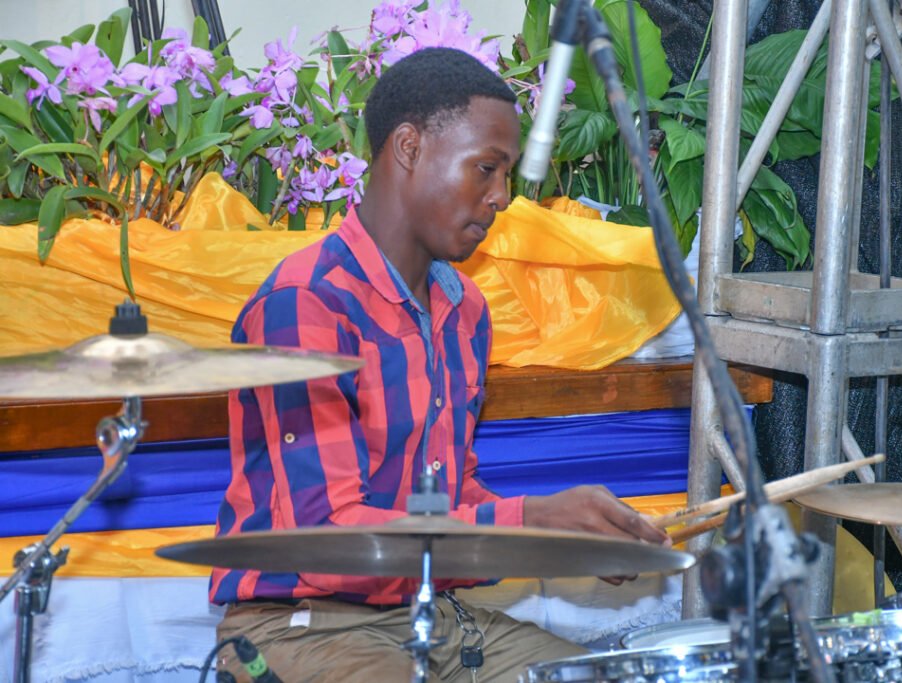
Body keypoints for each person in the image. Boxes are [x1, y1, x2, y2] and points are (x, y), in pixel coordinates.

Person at [210, 47, 669, 682]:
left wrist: (566, 540)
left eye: (505, 176)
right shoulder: (306, 304)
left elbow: (450, 497)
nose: (502, 197)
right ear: (408, 148)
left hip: (434, 616)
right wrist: (531, 523)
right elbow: (329, 541)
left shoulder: (466, 309)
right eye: (486, 168)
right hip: (304, 626)